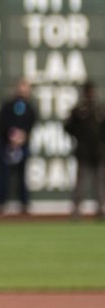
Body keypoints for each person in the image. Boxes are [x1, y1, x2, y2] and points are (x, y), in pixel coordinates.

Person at [0, 78, 37, 215]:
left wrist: (23, 136)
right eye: (21, 87)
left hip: (23, 145)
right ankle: (1, 204)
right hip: (6, 145)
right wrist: (12, 135)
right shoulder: (8, 105)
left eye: (26, 87)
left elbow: (31, 124)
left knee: (22, 176)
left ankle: (24, 204)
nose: (23, 90)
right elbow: (1, 122)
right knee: (4, 176)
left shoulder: (30, 108)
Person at [63, 81, 104, 219]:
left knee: (99, 182)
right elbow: (68, 126)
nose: (90, 94)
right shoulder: (79, 110)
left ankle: (101, 209)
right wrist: (79, 135)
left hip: (98, 151)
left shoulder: (99, 108)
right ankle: (76, 210)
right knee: (81, 183)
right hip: (83, 150)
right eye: (88, 91)